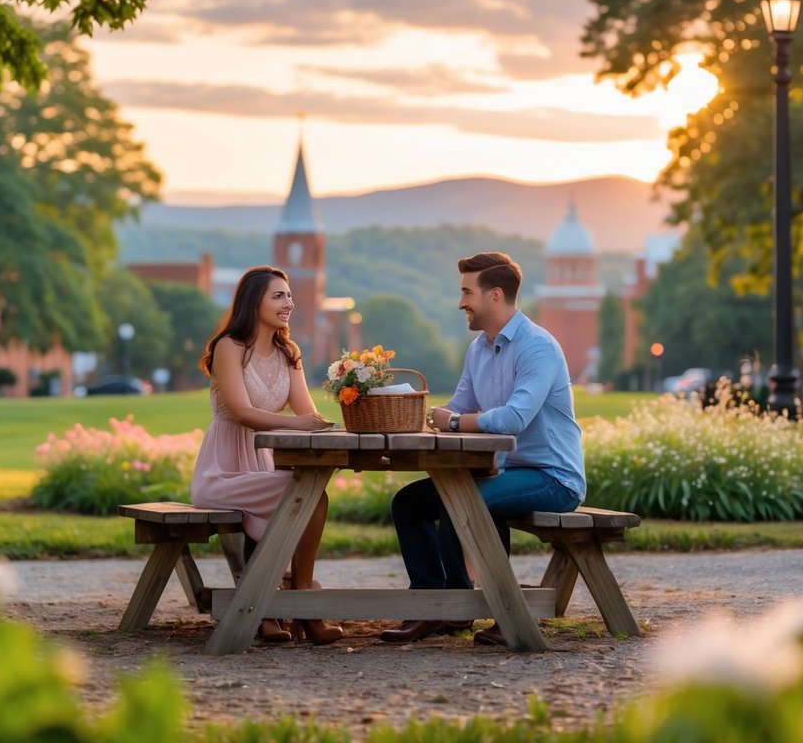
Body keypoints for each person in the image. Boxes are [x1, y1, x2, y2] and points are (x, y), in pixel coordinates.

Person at [378, 252, 586, 646]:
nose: (461, 303)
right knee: (408, 503)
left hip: (552, 476)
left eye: (466, 293)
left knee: (465, 501)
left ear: (494, 295)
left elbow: (512, 419)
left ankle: (479, 610)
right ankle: (433, 604)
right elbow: (458, 405)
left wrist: (454, 422)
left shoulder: (537, 347)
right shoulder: (479, 349)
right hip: (504, 471)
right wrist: (440, 414)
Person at [190, 265, 343, 646]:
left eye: (289, 295)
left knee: (311, 496)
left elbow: (308, 412)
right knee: (309, 497)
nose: (288, 302)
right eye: (278, 296)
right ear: (252, 301)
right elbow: (242, 411)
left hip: (260, 465)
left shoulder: (288, 352)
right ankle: (281, 608)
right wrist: (296, 426)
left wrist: (343, 419)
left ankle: (298, 606)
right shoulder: (230, 347)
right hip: (223, 471)